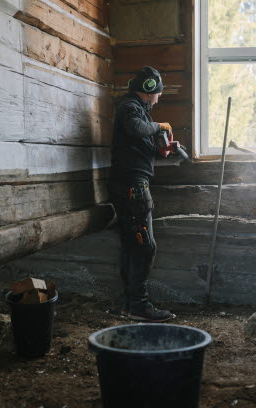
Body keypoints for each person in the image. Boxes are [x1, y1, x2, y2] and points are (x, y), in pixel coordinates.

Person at [108, 66, 175, 322]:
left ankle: (128, 303)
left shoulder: (137, 110)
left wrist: (162, 146)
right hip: (132, 187)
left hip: (130, 185)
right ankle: (139, 305)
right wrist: (158, 125)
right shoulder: (130, 108)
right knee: (145, 248)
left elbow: (138, 137)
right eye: (157, 93)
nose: (158, 98)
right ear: (149, 90)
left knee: (131, 245)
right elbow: (136, 128)